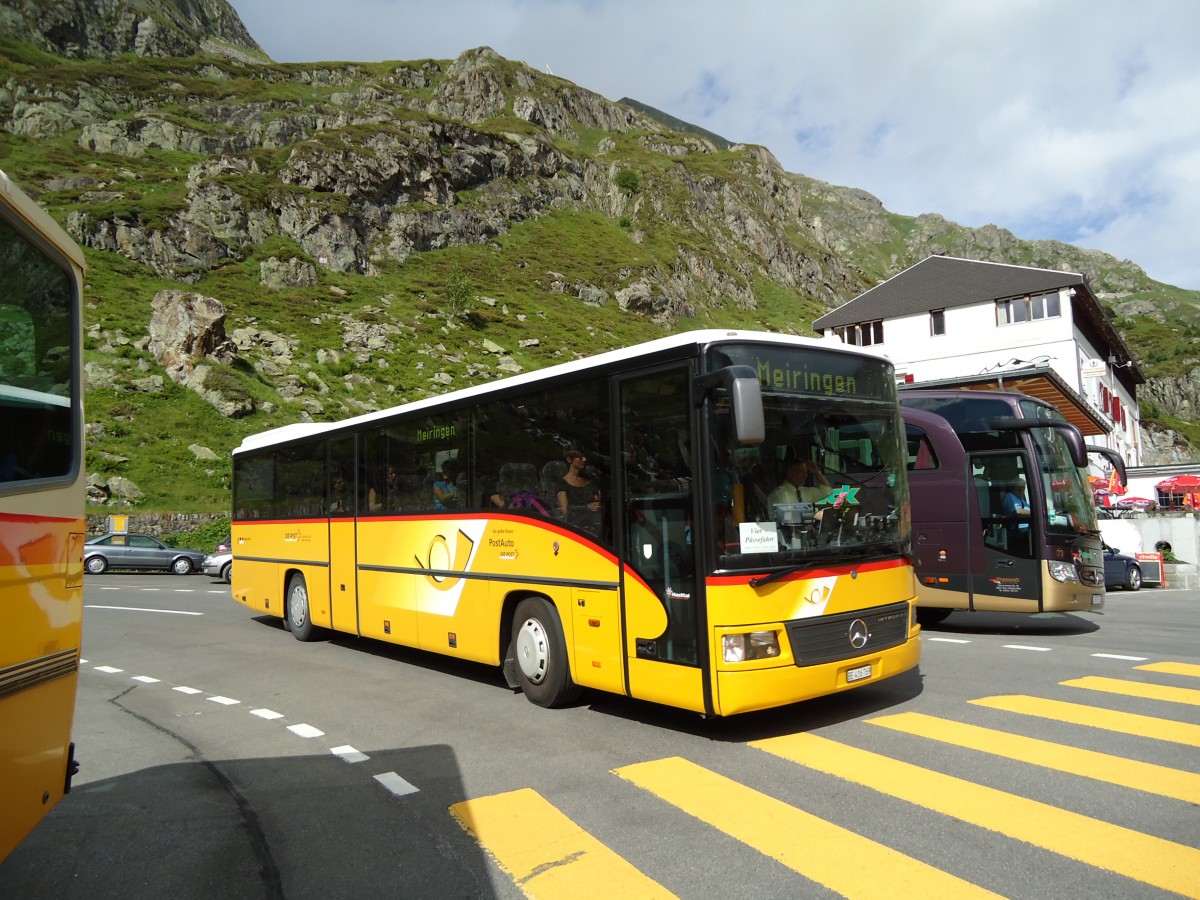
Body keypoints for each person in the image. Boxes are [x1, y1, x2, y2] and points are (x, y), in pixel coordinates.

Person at [556, 448, 601, 532]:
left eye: (584, 457)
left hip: (594, 527)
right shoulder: (562, 484)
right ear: (569, 459)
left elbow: (598, 501)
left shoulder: (591, 481)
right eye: (580, 457)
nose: (584, 459)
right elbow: (565, 510)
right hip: (575, 529)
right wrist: (586, 507)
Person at [766, 457, 831, 511]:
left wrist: (817, 473)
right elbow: (787, 517)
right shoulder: (780, 493)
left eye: (806, 472)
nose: (805, 475)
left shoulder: (806, 491)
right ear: (789, 472)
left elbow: (827, 491)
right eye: (801, 472)